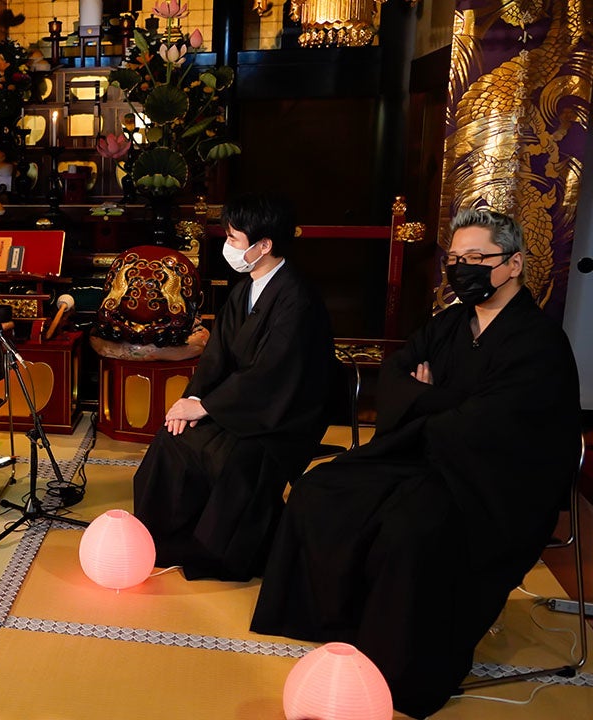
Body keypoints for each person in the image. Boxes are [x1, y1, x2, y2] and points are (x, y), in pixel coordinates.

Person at [250, 208, 583, 718]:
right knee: (322, 489)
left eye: (477, 258)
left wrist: (428, 399)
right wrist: (444, 402)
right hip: (421, 454)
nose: (462, 269)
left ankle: (399, 667)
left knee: (410, 529)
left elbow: (493, 424)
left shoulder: (539, 342)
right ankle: (337, 625)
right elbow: (395, 377)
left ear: (513, 264)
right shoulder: (450, 323)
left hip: (494, 481)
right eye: (455, 259)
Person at [132, 193, 334, 581]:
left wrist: (207, 407)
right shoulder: (244, 290)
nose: (228, 246)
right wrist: (192, 398)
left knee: (234, 457)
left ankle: (219, 554)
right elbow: (217, 355)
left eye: (234, 238)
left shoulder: (298, 299)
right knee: (173, 438)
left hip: (280, 415)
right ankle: (163, 541)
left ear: (264, 245)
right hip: (238, 403)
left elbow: (274, 373)